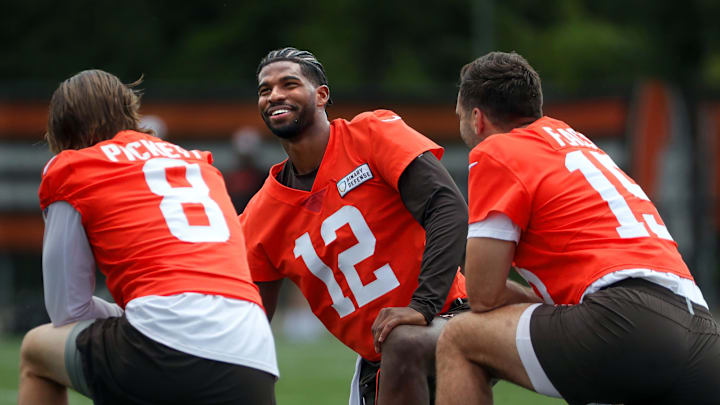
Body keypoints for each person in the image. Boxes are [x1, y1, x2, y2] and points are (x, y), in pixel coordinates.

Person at [435, 51, 720, 405]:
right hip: (702, 330)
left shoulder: (497, 149)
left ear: (477, 119)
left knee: (460, 338)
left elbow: (483, 295)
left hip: (625, 321)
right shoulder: (573, 139)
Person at [18, 69, 278, 405]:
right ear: (129, 110)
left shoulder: (72, 167)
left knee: (36, 350)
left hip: (166, 347)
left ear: (63, 129)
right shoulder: (199, 164)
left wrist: (131, 314)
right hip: (253, 351)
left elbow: (67, 310)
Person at [239, 47, 469, 405]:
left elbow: (447, 206)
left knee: (405, 347)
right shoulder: (259, 215)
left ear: (322, 95)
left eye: (289, 83)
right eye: (264, 89)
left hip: (445, 315)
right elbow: (250, 321)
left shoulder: (371, 134)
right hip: (378, 359)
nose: (275, 95)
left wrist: (423, 304)